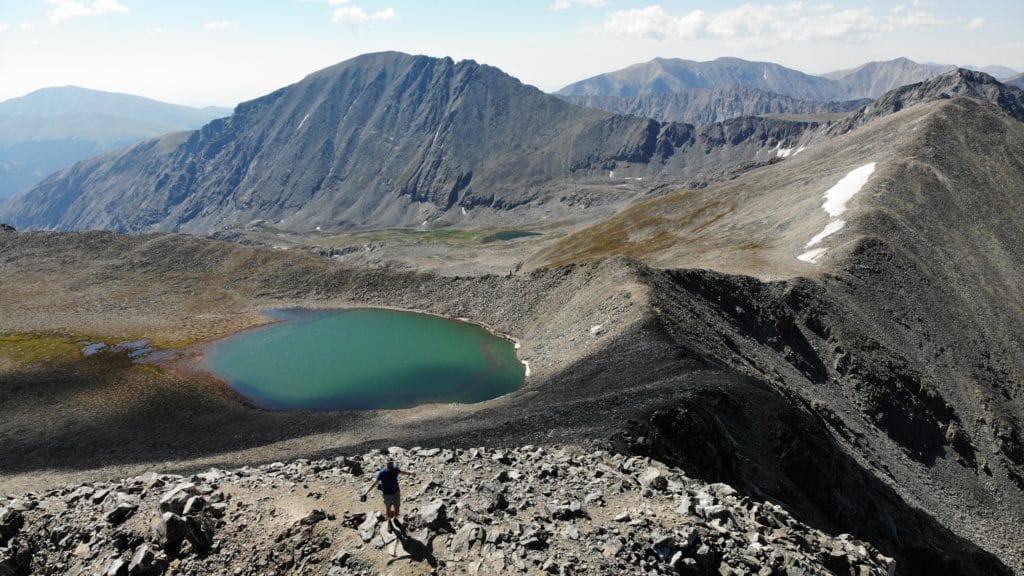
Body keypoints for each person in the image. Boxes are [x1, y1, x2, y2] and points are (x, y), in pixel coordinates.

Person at [362, 459, 416, 532]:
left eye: (391, 463)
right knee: (388, 509)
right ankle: (389, 522)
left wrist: (410, 473)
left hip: (396, 492)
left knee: (397, 508)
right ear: (386, 464)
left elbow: (401, 472)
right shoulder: (382, 473)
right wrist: (367, 492)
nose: (391, 464)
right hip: (387, 494)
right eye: (389, 463)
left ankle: (396, 519)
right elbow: (375, 483)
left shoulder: (395, 469)